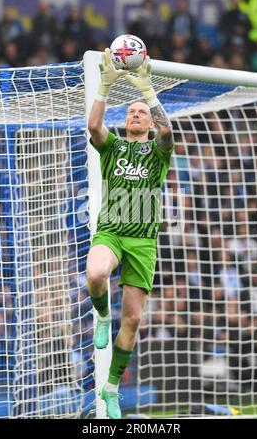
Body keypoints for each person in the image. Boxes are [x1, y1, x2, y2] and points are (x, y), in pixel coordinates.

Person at [86, 48, 174, 418]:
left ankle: (110, 388)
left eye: (141, 113)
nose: (135, 115)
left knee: (134, 319)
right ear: (125, 122)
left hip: (142, 240)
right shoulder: (113, 147)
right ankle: (102, 315)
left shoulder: (158, 152)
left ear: (148, 123)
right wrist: (106, 86)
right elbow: (93, 127)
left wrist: (148, 90)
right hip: (111, 231)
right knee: (95, 274)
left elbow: (168, 131)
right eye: (131, 112)